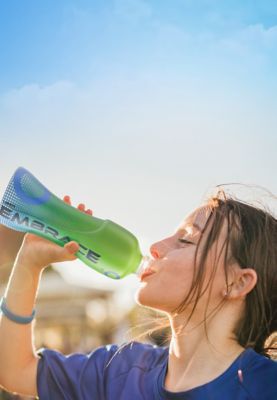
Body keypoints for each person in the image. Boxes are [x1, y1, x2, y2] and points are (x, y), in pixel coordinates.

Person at [0, 190, 276, 400]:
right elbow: (15, 370)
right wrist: (29, 262)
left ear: (237, 282)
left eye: (186, 239)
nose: (155, 247)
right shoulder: (121, 369)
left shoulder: (265, 386)